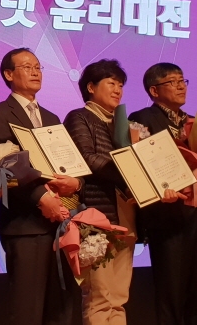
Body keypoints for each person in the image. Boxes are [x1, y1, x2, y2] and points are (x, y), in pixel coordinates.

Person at [0, 48, 81, 325]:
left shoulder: (52, 118)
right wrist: (41, 197)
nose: (35, 72)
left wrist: (76, 182)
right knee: (27, 308)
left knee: (60, 309)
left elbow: (68, 162)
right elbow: (5, 166)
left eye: (38, 67)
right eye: (27, 67)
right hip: (24, 224)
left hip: (60, 225)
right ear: (8, 74)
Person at [129, 62, 197, 325]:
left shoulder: (196, 123)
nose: (181, 86)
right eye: (172, 82)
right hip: (168, 218)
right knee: (171, 295)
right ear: (154, 90)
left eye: (183, 81)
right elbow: (139, 164)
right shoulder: (141, 119)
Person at [63, 59, 136, 325]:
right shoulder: (79, 117)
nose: (118, 90)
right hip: (96, 216)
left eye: (121, 85)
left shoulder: (122, 125)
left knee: (118, 297)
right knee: (99, 296)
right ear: (91, 87)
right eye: (111, 83)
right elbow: (86, 157)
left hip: (125, 214)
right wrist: (131, 171)